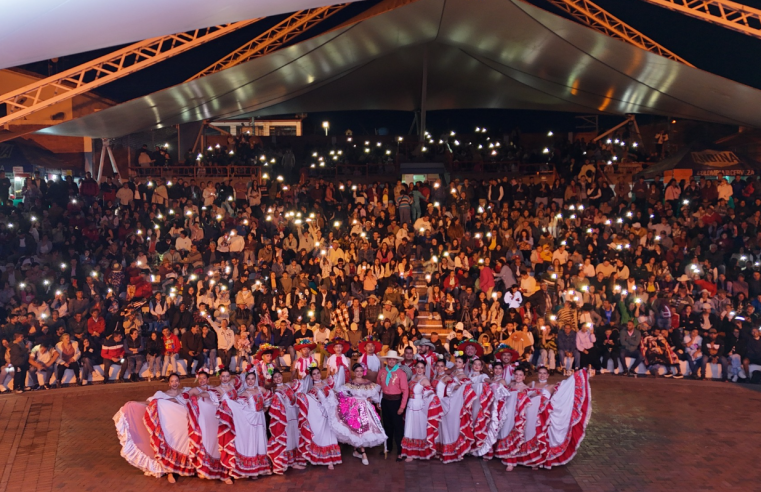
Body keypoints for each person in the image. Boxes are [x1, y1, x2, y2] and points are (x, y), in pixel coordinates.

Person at [323, 362, 387, 465]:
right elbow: (342, 395)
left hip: (366, 409)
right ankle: (363, 452)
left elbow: (375, 396)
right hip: (354, 409)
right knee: (357, 430)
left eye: (361, 371)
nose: (359, 373)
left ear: (363, 372)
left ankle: (356, 451)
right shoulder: (349, 385)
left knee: (365, 429)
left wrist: (370, 399)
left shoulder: (369, 383)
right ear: (354, 372)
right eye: (357, 371)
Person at [217, 370, 272, 480]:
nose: (251, 381)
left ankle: (261, 468)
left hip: (260, 418)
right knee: (252, 441)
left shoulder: (260, 389)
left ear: (255, 380)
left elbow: (269, 397)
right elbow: (240, 408)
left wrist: (264, 409)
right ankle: (252, 469)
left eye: (252, 379)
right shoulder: (243, 394)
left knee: (261, 441)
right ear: (245, 381)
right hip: (250, 420)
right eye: (248, 379)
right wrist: (227, 404)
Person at [185, 368, 228, 482]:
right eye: (200, 379)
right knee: (205, 441)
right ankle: (203, 468)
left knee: (215, 440)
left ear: (208, 380)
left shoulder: (214, 389)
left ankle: (216, 467)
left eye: (204, 378)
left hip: (213, 418)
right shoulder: (195, 389)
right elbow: (185, 398)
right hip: (203, 419)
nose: (202, 380)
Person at [297, 367, 342, 469]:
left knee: (331, 435)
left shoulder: (326, 385)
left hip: (330, 414)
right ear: (311, 377)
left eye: (318, 373)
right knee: (323, 436)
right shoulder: (312, 390)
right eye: (314, 374)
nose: (317, 375)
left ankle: (332, 458)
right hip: (321, 416)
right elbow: (311, 403)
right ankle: (326, 460)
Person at [435, 355, 476, 463]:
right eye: (456, 361)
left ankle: (452, 450)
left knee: (450, 426)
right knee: (443, 426)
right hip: (444, 402)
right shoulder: (452, 374)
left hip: (450, 403)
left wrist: (456, 386)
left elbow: (463, 387)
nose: (457, 363)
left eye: (459, 362)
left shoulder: (461, 376)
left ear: (463, 365)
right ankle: (443, 449)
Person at [400, 360, 442, 461]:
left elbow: (429, 392)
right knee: (410, 427)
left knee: (418, 428)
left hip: (419, 406)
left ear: (425, 369)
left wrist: (433, 398)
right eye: (417, 367)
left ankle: (418, 452)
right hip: (410, 404)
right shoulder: (413, 377)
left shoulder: (425, 380)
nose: (419, 369)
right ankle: (408, 451)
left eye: (422, 368)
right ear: (414, 368)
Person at [267, 369, 306, 474]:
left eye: (279, 375)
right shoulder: (276, 393)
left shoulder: (288, 386)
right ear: (273, 380)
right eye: (275, 377)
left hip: (294, 414)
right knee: (287, 438)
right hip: (285, 418)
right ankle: (285, 462)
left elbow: (299, 384)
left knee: (294, 437)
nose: (278, 378)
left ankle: (293, 462)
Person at [377, 350, 409, 461]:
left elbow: (405, 391)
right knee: (387, 426)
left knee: (398, 428)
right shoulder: (381, 372)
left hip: (396, 402)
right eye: (389, 359)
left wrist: (402, 406)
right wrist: (378, 401)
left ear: (396, 361)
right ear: (386, 361)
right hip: (385, 401)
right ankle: (388, 447)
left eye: (393, 359)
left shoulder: (401, 373)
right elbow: (378, 387)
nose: (391, 361)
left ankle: (400, 451)